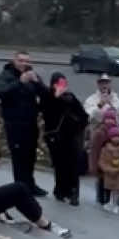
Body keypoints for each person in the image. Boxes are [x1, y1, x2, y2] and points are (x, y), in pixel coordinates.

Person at [0, 51, 47, 195]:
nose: (24, 64)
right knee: (19, 158)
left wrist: (37, 82)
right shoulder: (5, 75)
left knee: (30, 156)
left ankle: (30, 185)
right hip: (14, 124)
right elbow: (1, 92)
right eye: (21, 60)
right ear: (14, 61)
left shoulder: (31, 75)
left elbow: (45, 94)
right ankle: (20, 188)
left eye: (27, 61)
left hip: (30, 123)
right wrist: (20, 82)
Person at [41, 72, 88, 206]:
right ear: (53, 84)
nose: (62, 86)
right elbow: (46, 114)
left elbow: (84, 116)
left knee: (72, 165)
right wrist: (56, 97)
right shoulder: (47, 96)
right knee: (59, 165)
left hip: (71, 137)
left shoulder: (70, 97)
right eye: (59, 84)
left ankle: (73, 193)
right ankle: (60, 191)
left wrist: (77, 127)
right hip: (55, 138)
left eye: (64, 84)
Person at [84, 75, 119, 206]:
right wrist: (101, 104)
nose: (104, 85)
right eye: (102, 83)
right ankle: (102, 196)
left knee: (115, 166)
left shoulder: (116, 98)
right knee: (101, 166)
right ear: (98, 84)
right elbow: (90, 117)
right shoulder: (91, 99)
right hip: (99, 137)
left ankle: (115, 198)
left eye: (106, 83)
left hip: (115, 138)